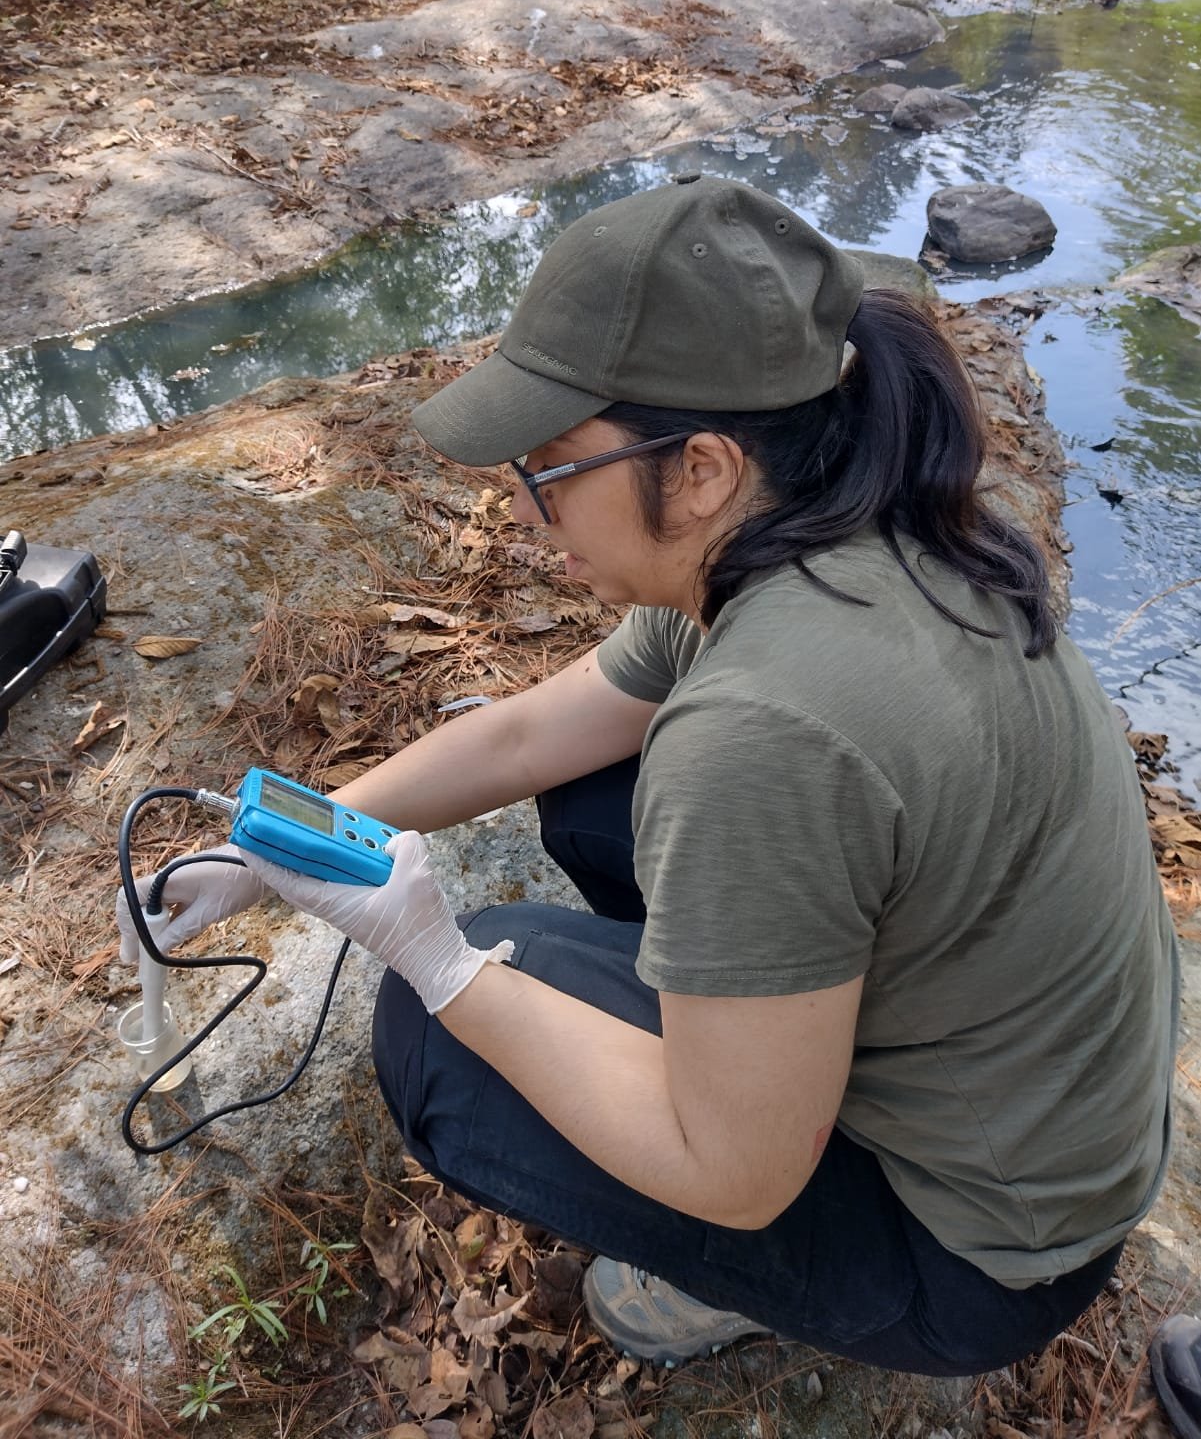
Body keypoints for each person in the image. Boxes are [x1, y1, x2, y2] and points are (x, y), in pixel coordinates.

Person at [117, 175, 1179, 1376]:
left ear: (705, 469)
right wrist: (277, 850)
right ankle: (743, 1050)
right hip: (1044, 1120)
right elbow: (530, 735)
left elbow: (739, 1172)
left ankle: (763, 1269)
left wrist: (437, 959)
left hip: (974, 1255)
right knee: (587, 792)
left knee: (436, 1041)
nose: (525, 508)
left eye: (550, 466)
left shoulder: (771, 724)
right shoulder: (832, 521)